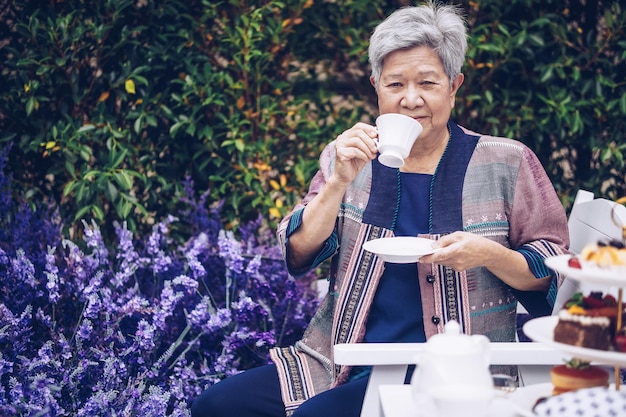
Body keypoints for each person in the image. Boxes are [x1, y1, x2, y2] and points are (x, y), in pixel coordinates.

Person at [190, 2, 570, 416]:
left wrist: (488, 254)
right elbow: (298, 253)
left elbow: (553, 273)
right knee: (215, 405)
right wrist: (338, 181)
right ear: (374, 85)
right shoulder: (351, 158)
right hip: (337, 361)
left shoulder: (506, 161)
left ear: (454, 85)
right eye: (394, 85)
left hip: (446, 371)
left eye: (427, 83)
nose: (411, 100)